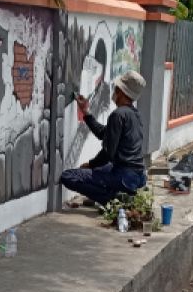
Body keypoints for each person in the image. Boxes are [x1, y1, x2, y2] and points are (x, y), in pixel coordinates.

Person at [61, 70, 148, 206]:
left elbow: (108, 152)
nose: (114, 90)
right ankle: (116, 193)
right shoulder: (135, 115)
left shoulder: (118, 115)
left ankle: (112, 199)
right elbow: (104, 133)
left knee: (68, 176)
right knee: (99, 170)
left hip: (123, 176)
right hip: (138, 176)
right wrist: (86, 112)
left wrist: (90, 164)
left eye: (116, 88)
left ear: (121, 91)